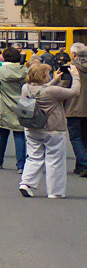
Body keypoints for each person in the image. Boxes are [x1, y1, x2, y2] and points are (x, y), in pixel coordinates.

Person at [19, 61, 82, 198]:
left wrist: (54, 79)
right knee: (55, 160)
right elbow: (75, 91)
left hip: (32, 127)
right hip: (53, 128)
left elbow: (42, 89)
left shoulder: (26, 88)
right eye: (47, 74)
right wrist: (75, 76)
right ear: (43, 75)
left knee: (33, 157)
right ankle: (55, 191)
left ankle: (26, 183)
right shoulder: (52, 91)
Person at [0, 46, 28, 173]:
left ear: (4, 57)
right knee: (19, 134)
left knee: (2, 134)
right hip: (21, 106)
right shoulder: (25, 71)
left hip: (3, 106)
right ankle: (21, 165)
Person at [66, 42, 87, 177]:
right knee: (85, 137)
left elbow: (62, 87)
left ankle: (84, 162)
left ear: (73, 54)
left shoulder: (69, 68)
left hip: (73, 107)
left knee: (75, 138)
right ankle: (80, 166)